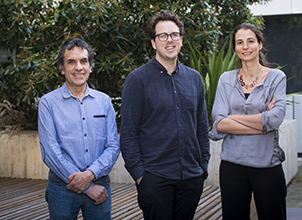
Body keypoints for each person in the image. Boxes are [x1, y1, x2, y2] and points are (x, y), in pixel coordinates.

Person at [120, 11, 210, 220]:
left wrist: (202, 167)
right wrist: (141, 176)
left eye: (174, 35)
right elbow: (128, 133)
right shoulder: (137, 80)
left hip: (191, 177)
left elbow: (201, 127)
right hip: (154, 178)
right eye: (163, 36)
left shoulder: (194, 78)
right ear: (153, 42)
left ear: (180, 39)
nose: (169, 40)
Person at [209, 23, 287, 220]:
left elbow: (275, 120)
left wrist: (233, 118)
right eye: (239, 42)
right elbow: (218, 123)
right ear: (235, 48)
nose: (245, 47)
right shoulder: (226, 80)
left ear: (260, 44)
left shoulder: (276, 78)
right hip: (232, 167)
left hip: (267, 167)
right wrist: (262, 123)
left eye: (250, 41)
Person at [38, 38, 120, 220]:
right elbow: (50, 151)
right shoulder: (47, 103)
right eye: (71, 62)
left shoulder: (104, 101)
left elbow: (113, 146)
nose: (78, 67)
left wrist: (91, 174)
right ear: (62, 68)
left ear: (91, 67)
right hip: (62, 187)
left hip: (100, 183)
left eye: (83, 61)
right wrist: (88, 186)